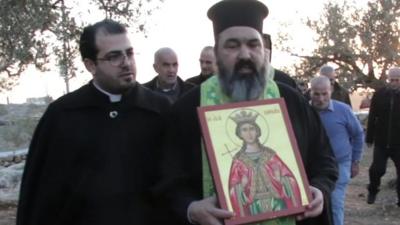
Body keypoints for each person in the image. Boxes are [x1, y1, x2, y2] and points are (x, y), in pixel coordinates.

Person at [160, 1, 338, 225]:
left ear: (264, 50)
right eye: (232, 46)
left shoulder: (292, 101)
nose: (245, 54)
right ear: (216, 53)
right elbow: (169, 181)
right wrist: (190, 207)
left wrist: (320, 189)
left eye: (254, 44)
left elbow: (325, 161)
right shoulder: (186, 109)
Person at [16, 19, 171, 225]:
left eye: (129, 53)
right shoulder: (63, 115)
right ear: (90, 65)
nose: (126, 62)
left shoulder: (159, 110)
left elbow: (176, 183)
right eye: (114, 56)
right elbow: (41, 193)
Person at [310, 76, 364, 225]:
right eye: (316, 94)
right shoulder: (305, 111)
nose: (320, 99)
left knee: (334, 204)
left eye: (324, 94)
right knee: (313, 205)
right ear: (310, 92)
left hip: (339, 164)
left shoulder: (343, 110)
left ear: (331, 91)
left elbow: (358, 134)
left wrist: (356, 161)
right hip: (313, 167)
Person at [228, 110, 301, 217]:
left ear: (257, 131)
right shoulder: (238, 161)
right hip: (254, 207)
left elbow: (291, 179)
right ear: (239, 134)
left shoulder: (270, 155)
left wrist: (281, 179)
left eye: (252, 129)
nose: (249, 133)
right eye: (244, 130)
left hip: (277, 203)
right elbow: (233, 190)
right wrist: (241, 186)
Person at [366, 67, 400, 207]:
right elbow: (373, 116)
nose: (393, 83)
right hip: (381, 141)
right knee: (377, 169)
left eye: (397, 80)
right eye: (391, 80)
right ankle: (373, 190)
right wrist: (369, 137)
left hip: (399, 143)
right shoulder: (379, 95)